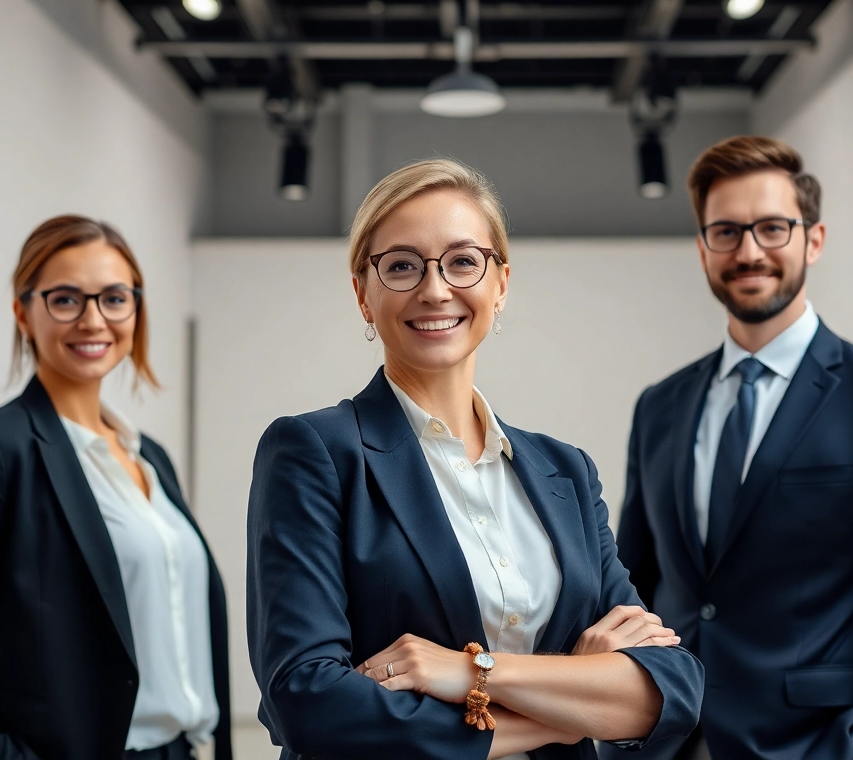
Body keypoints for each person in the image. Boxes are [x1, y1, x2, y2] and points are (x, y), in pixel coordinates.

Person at [245, 159, 703, 760]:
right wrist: (565, 712)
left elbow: (670, 690)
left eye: (463, 262)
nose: (435, 289)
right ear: (363, 293)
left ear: (501, 283)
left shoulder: (564, 471)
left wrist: (469, 672)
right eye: (402, 266)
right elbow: (305, 700)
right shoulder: (315, 454)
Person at [607, 136, 853, 760]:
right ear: (703, 249)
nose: (749, 251)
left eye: (772, 228)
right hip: (662, 742)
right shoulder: (660, 406)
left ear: (814, 238)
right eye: (725, 232)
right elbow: (631, 587)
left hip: (814, 747)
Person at [0, 215, 232, 760]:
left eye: (114, 298)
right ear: (23, 312)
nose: (93, 319)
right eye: (66, 299)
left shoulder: (150, 457)